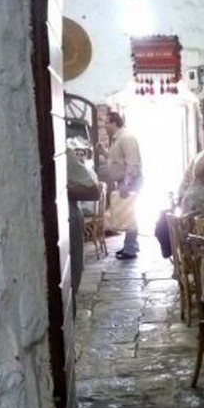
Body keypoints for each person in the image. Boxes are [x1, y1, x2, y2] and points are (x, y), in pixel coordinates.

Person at [98, 111, 142, 260]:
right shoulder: (117, 139)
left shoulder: (126, 138)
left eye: (106, 122)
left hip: (131, 181)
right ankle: (130, 245)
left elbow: (132, 162)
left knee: (130, 214)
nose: (104, 125)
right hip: (125, 181)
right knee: (127, 214)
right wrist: (103, 152)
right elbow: (116, 159)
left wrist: (126, 183)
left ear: (114, 123)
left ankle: (130, 249)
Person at [66, 139, 100, 308]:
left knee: (70, 278)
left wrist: (59, 188)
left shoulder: (65, 154)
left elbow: (94, 191)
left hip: (68, 217)